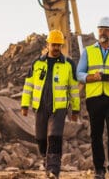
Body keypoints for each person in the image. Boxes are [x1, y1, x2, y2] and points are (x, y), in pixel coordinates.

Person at [21, 29, 80, 179]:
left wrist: (75, 110)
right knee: (40, 138)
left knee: (54, 136)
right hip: (40, 107)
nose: (56, 48)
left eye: (59, 45)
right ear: (48, 44)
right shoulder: (37, 63)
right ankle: (46, 160)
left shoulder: (69, 65)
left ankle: (53, 169)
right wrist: (24, 105)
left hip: (58, 108)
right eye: (54, 45)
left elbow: (74, 89)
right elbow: (28, 85)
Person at [76, 16, 109, 179]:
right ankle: (99, 169)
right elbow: (79, 73)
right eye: (101, 29)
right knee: (96, 133)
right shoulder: (88, 51)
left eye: (106, 29)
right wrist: (92, 77)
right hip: (94, 97)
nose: (103, 32)